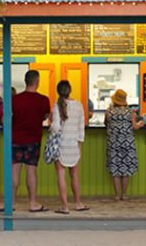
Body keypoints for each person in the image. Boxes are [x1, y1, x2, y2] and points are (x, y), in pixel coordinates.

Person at [11, 70, 51, 212]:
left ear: (25, 81)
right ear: (37, 82)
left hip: (15, 139)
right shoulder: (43, 100)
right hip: (33, 140)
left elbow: (8, 117)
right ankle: (33, 203)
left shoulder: (14, 99)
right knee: (31, 171)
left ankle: (12, 204)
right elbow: (46, 116)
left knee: (14, 172)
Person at [49, 80, 88, 214]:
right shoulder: (79, 106)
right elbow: (81, 129)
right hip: (73, 144)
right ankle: (78, 203)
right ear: (70, 90)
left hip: (60, 145)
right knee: (74, 175)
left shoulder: (57, 106)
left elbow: (55, 127)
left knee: (61, 174)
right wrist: (79, 146)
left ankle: (65, 206)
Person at [104, 89, 144, 201]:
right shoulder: (130, 112)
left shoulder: (109, 111)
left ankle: (117, 195)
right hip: (127, 144)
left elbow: (105, 123)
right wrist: (140, 124)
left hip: (113, 143)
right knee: (125, 170)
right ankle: (124, 195)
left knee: (115, 170)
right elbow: (134, 127)